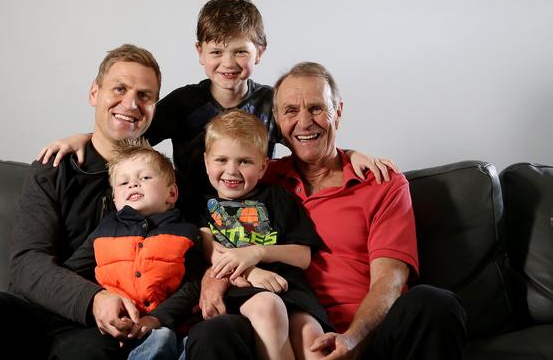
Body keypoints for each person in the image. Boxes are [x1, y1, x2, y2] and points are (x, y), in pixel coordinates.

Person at [185, 62, 467, 360]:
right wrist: (215, 276)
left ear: (339, 113)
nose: (305, 122)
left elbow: (391, 279)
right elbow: (203, 221)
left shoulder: (381, 182)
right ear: (278, 121)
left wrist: (353, 339)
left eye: (317, 108)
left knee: (434, 302)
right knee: (211, 333)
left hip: (368, 335)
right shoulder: (260, 179)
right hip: (283, 327)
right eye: (291, 111)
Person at [0, 44, 165, 360]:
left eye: (145, 96)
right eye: (119, 88)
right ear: (94, 93)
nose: (131, 103)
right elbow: (27, 262)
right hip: (34, 309)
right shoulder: (54, 167)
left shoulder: (161, 183)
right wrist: (94, 298)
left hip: (95, 328)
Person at [38, 0, 394, 194]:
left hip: (254, 218)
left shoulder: (272, 103)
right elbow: (128, 135)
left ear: (260, 52)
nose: (228, 63)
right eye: (216, 52)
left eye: (240, 51)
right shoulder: (181, 104)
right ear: (199, 52)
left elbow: (309, 141)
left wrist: (350, 156)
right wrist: (84, 137)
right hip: (192, 217)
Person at [198, 110, 332, 359]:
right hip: (243, 289)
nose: (232, 170)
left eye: (244, 161)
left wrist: (257, 252)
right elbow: (211, 250)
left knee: (312, 339)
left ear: (263, 166)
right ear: (206, 162)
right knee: (269, 307)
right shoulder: (202, 206)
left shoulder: (278, 198)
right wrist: (251, 271)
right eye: (222, 160)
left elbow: (303, 256)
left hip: (290, 289)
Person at [63, 139, 204, 360]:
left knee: (169, 339)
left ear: (172, 193)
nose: (133, 185)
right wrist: (100, 304)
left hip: (167, 325)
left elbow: (194, 285)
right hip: (115, 327)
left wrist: (157, 319)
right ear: (115, 199)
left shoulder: (186, 232)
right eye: (123, 183)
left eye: (145, 177)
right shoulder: (105, 230)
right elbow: (70, 273)